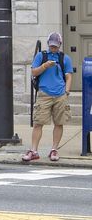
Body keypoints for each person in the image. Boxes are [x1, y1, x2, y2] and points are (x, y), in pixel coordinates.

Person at [23, 32, 73, 162]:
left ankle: (54, 149)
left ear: (60, 45)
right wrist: (45, 66)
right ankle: (34, 151)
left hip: (60, 94)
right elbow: (34, 72)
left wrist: (66, 92)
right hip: (44, 94)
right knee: (38, 123)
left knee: (59, 123)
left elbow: (68, 76)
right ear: (48, 45)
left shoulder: (64, 58)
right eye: (51, 46)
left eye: (56, 46)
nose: (53, 48)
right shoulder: (41, 56)